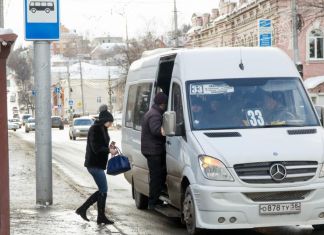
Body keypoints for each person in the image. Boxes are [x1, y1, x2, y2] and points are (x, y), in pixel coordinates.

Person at [75, 104, 118, 225]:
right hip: (93, 164)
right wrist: (109, 150)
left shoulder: (103, 129)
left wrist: (109, 147)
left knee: (102, 190)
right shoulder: (95, 129)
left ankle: (98, 216)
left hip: (98, 164)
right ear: (105, 121)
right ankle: (84, 210)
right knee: (103, 189)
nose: (111, 124)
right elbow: (95, 148)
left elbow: (102, 146)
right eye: (110, 122)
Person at [141, 92, 168, 210]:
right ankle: (153, 202)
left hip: (151, 149)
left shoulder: (152, 112)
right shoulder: (155, 115)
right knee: (156, 176)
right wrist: (167, 130)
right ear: (162, 104)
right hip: (153, 151)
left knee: (158, 175)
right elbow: (156, 130)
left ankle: (155, 199)